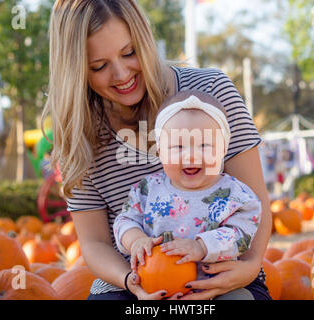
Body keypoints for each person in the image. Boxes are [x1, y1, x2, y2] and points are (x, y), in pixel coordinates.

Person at [43, 0, 272, 300]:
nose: (122, 73)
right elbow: (95, 244)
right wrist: (131, 281)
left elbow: (254, 202)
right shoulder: (79, 134)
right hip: (129, 282)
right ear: (76, 71)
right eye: (99, 66)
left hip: (220, 275)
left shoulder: (211, 94)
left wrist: (251, 266)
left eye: (130, 52)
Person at [113, 91, 262, 299]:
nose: (191, 155)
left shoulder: (235, 194)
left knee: (241, 299)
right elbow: (125, 220)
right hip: (155, 286)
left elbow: (242, 234)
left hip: (213, 289)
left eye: (205, 145)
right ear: (160, 151)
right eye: (178, 147)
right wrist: (135, 240)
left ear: (223, 149)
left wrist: (202, 246)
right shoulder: (148, 189)